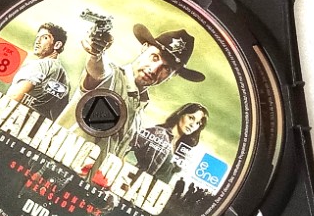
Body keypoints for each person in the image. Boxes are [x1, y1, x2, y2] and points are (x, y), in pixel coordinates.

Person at [56, 23, 206, 163]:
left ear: (172, 76)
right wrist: (95, 53)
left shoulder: (139, 113)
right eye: (155, 57)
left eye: (166, 68)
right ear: (144, 48)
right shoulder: (111, 77)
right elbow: (98, 70)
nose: (154, 69)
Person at [0, 23, 70, 131]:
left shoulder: (39, 66)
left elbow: (13, 98)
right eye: (37, 37)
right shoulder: (65, 79)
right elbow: (59, 114)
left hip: (6, 125)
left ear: (57, 45)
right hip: (30, 134)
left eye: (45, 38)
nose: (37, 41)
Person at [128, 102, 209, 182]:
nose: (193, 125)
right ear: (181, 114)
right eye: (191, 118)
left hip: (156, 189)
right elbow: (127, 142)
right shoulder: (158, 133)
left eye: (198, 123)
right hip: (137, 184)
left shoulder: (181, 148)